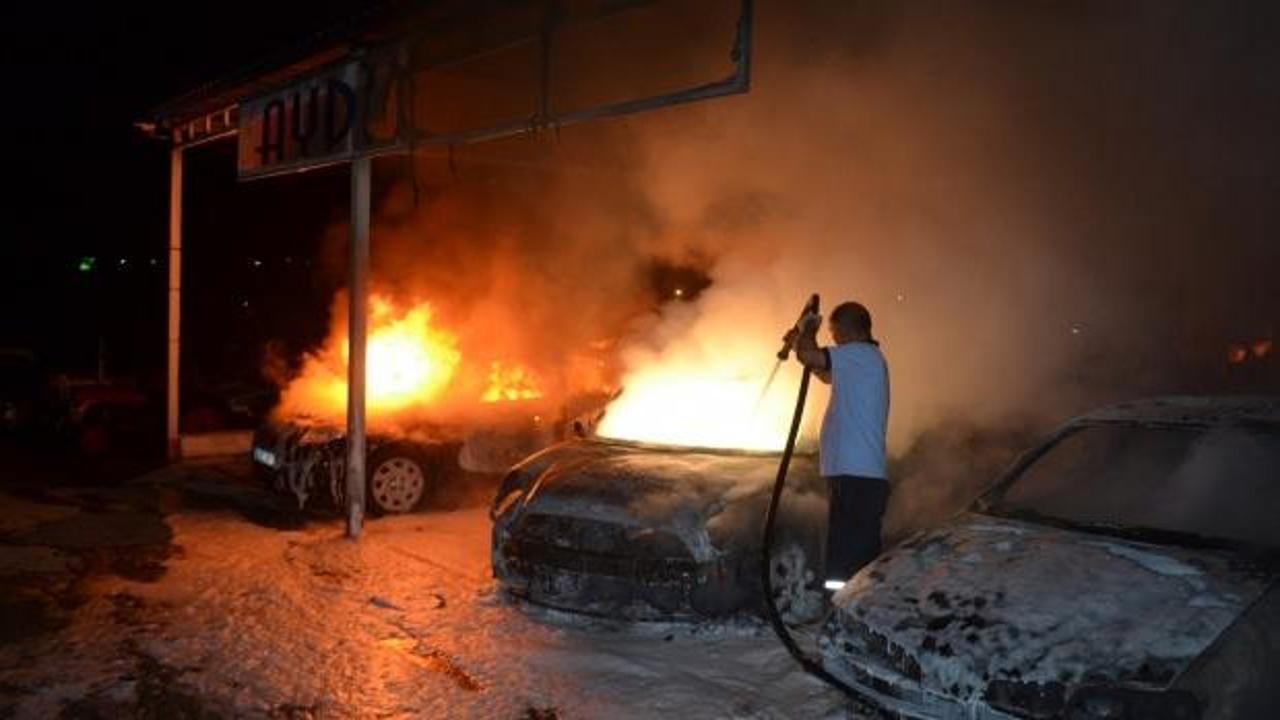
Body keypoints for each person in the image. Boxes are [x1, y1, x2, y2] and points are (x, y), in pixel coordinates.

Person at [785, 300, 890, 592]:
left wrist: (808, 330)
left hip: (859, 478)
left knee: (853, 564)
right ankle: (841, 608)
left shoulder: (860, 354)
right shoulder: (860, 360)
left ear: (845, 329)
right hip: (853, 476)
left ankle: (852, 610)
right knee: (844, 561)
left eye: (833, 332)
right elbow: (822, 371)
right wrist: (799, 345)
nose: (833, 338)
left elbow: (810, 355)